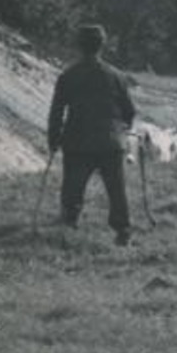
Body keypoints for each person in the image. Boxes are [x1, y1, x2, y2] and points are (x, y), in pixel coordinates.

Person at [47, 24, 137, 245]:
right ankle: (122, 231)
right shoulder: (117, 76)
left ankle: (68, 225)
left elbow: (57, 111)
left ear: (79, 45)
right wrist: (122, 128)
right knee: (116, 190)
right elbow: (130, 111)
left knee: (73, 187)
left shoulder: (68, 76)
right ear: (102, 45)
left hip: (78, 142)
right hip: (111, 142)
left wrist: (53, 139)